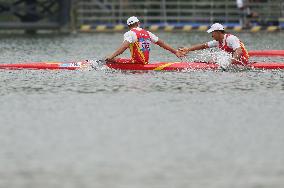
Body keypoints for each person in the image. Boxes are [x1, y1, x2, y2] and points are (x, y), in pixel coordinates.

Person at [105, 16, 183, 64]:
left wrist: (111, 57)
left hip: (136, 63)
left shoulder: (130, 33)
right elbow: (161, 43)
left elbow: (123, 48)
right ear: (138, 23)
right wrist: (175, 52)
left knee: (109, 58)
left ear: (128, 26)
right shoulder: (147, 33)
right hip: (145, 62)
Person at [179, 23, 249, 66]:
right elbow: (203, 46)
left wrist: (229, 64)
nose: (212, 35)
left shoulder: (230, 38)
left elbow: (239, 52)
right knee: (213, 59)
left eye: (212, 33)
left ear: (218, 32)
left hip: (243, 63)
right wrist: (188, 49)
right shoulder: (218, 41)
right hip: (235, 63)